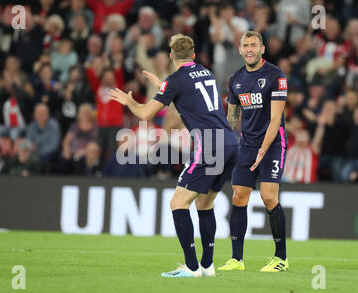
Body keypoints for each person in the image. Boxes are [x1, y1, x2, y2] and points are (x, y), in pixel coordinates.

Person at [110, 34, 239, 278]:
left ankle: (191, 267)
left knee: (178, 203)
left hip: (209, 144)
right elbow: (190, 96)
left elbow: (146, 114)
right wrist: (164, 89)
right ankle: (207, 266)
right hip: (231, 142)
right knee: (204, 202)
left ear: (171, 56)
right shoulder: (205, 72)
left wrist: (130, 101)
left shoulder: (175, 81)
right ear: (193, 55)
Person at [218, 31, 289, 272]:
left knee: (269, 197)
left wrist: (263, 150)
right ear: (239, 50)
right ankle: (236, 260)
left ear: (262, 49)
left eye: (253, 45)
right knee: (239, 197)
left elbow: (276, 118)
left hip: (273, 143)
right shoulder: (235, 79)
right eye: (245, 45)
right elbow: (233, 118)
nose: (249, 49)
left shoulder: (276, 76)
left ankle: (281, 259)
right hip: (247, 145)